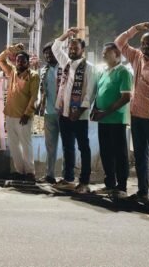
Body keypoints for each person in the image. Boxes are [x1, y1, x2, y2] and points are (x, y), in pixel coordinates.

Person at [114, 22, 149, 205]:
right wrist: (135, 29)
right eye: (143, 43)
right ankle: (142, 192)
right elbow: (119, 43)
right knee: (140, 157)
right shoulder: (137, 56)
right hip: (137, 116)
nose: (145, 46)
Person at [52, 28, 98, 193]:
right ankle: (68, 178)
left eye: (75, 48)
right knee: (67, 147)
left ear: (82, 50)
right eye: (70, 48)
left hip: (79, 115)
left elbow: (90, 92)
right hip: (64, 113)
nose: (71, 50)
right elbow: (55, 47)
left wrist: (79, 111)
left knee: (83, 147)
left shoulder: (89, 68)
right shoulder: (66, 63)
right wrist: (66, 34)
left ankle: (84, 181)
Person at [91, 43, 133, 199]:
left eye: (106, 53)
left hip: (116, 120)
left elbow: (126, 97)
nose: (103, 55)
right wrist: (95, 109)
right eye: (103, 52)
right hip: (103, 120)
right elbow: (98, 93)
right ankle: (109, 184)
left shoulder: (123, 72)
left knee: (119, 154)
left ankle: (121, 187)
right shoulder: (104, 72)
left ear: (116, 54)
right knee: (106, 153)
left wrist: (105, 112)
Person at [0, 44, 39, 182]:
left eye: (23, 61)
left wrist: (27, 113)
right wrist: (12, 49)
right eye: (18, 60)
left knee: (26, 144)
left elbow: (34, 96)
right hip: (10, 114)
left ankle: (30, 172)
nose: (20, 63)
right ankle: (20, 171)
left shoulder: (33, 76)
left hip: (23, 116)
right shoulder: (12, 72)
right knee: (14, 145)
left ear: (28, 63)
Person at [37, 42, 63, 184]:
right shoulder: (43, 71)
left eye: (50, 52)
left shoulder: (65, 68)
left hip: (64, 113)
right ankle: (50, 175)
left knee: (67, 145)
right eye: (46, 53)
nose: (48, 55)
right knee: (50, 146)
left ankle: (67, 176)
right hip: (49, 113)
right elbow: (42, 92)